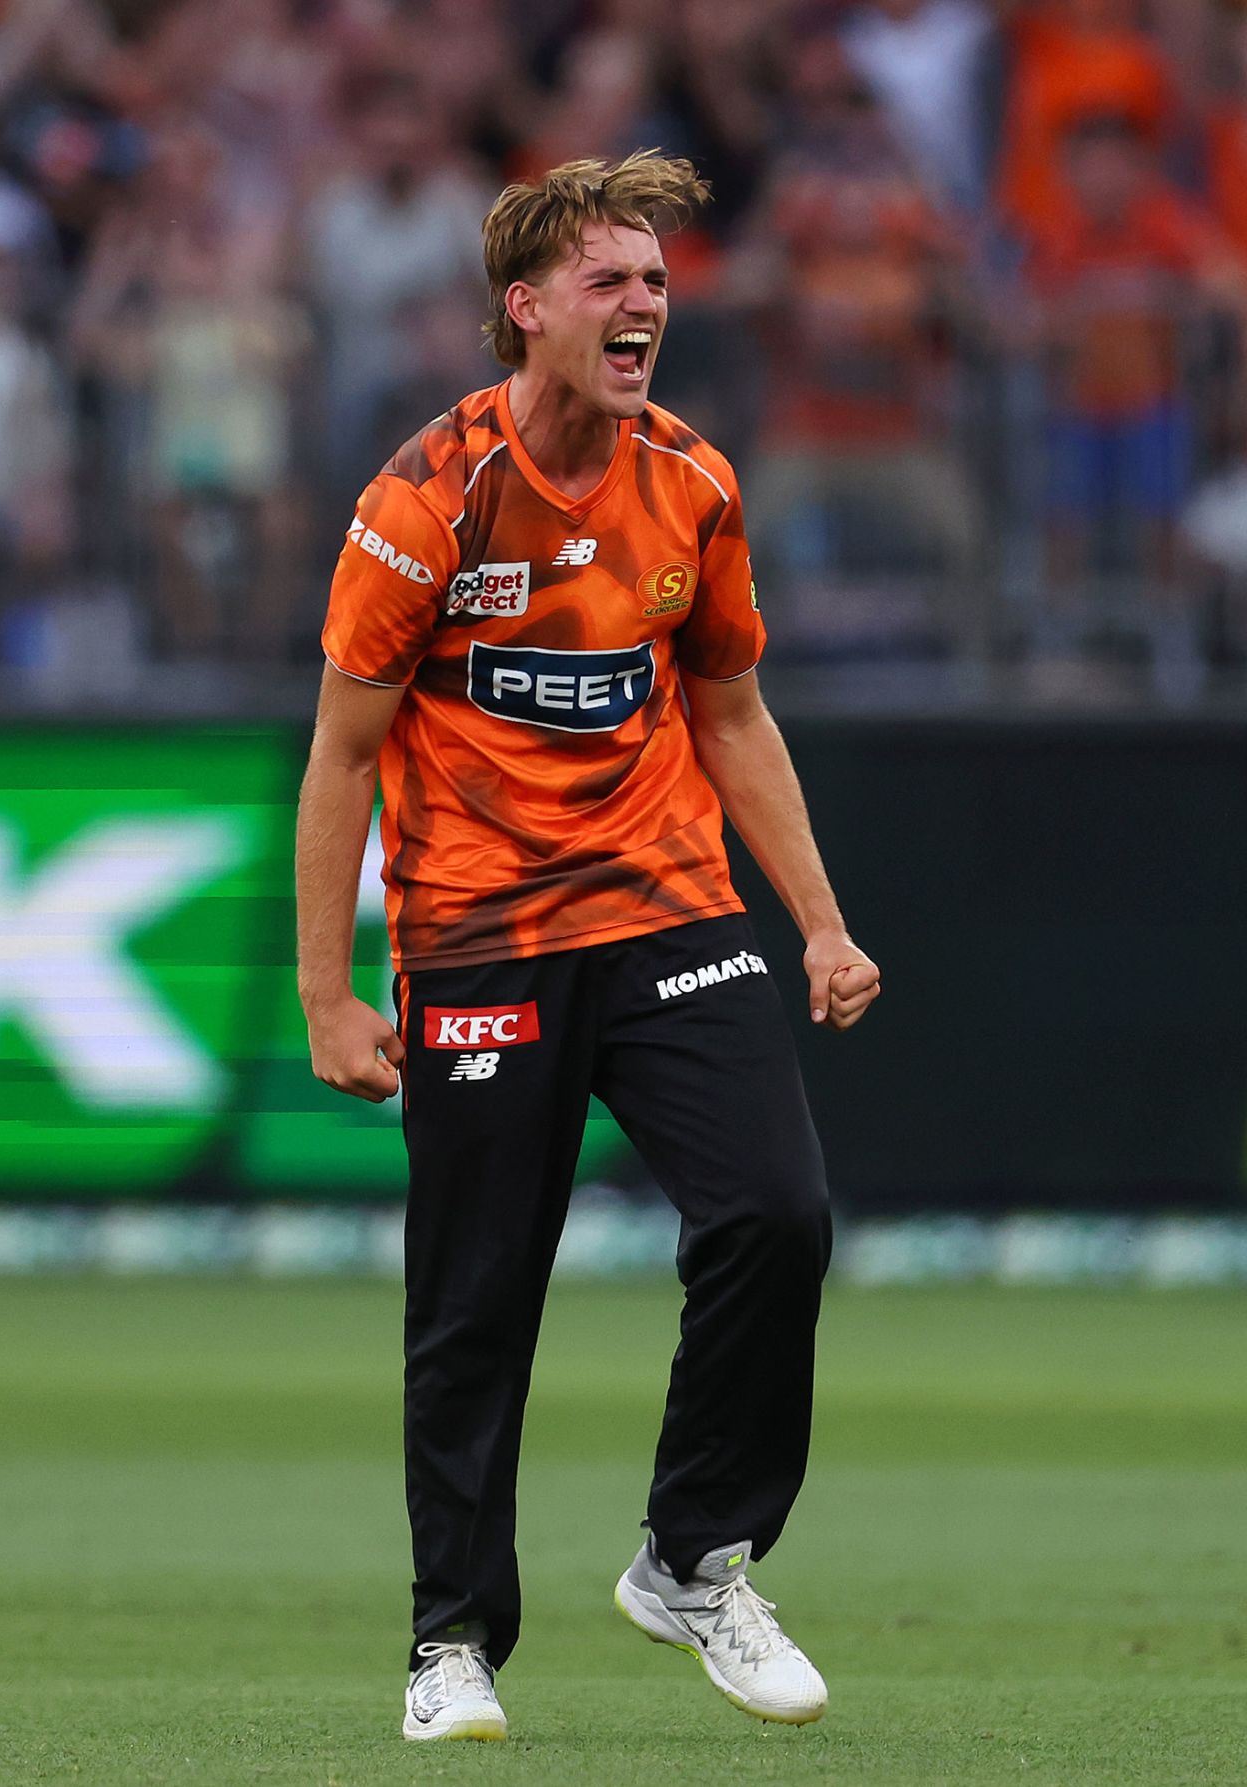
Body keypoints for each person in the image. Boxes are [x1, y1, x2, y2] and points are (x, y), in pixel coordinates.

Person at [294, 150, 880, 1745]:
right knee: (477, 1298)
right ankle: (451, 1643)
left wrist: (820, 922)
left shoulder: (692, 482)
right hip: (480, 937)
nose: (646, 307)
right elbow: (343, 751)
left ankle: (695, 1558)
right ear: (527, 308)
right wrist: (330, 994)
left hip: (670, 907)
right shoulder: (426, 500)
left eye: (658, 282)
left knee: (777, 1212)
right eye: (611, 280)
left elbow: (731, 710)